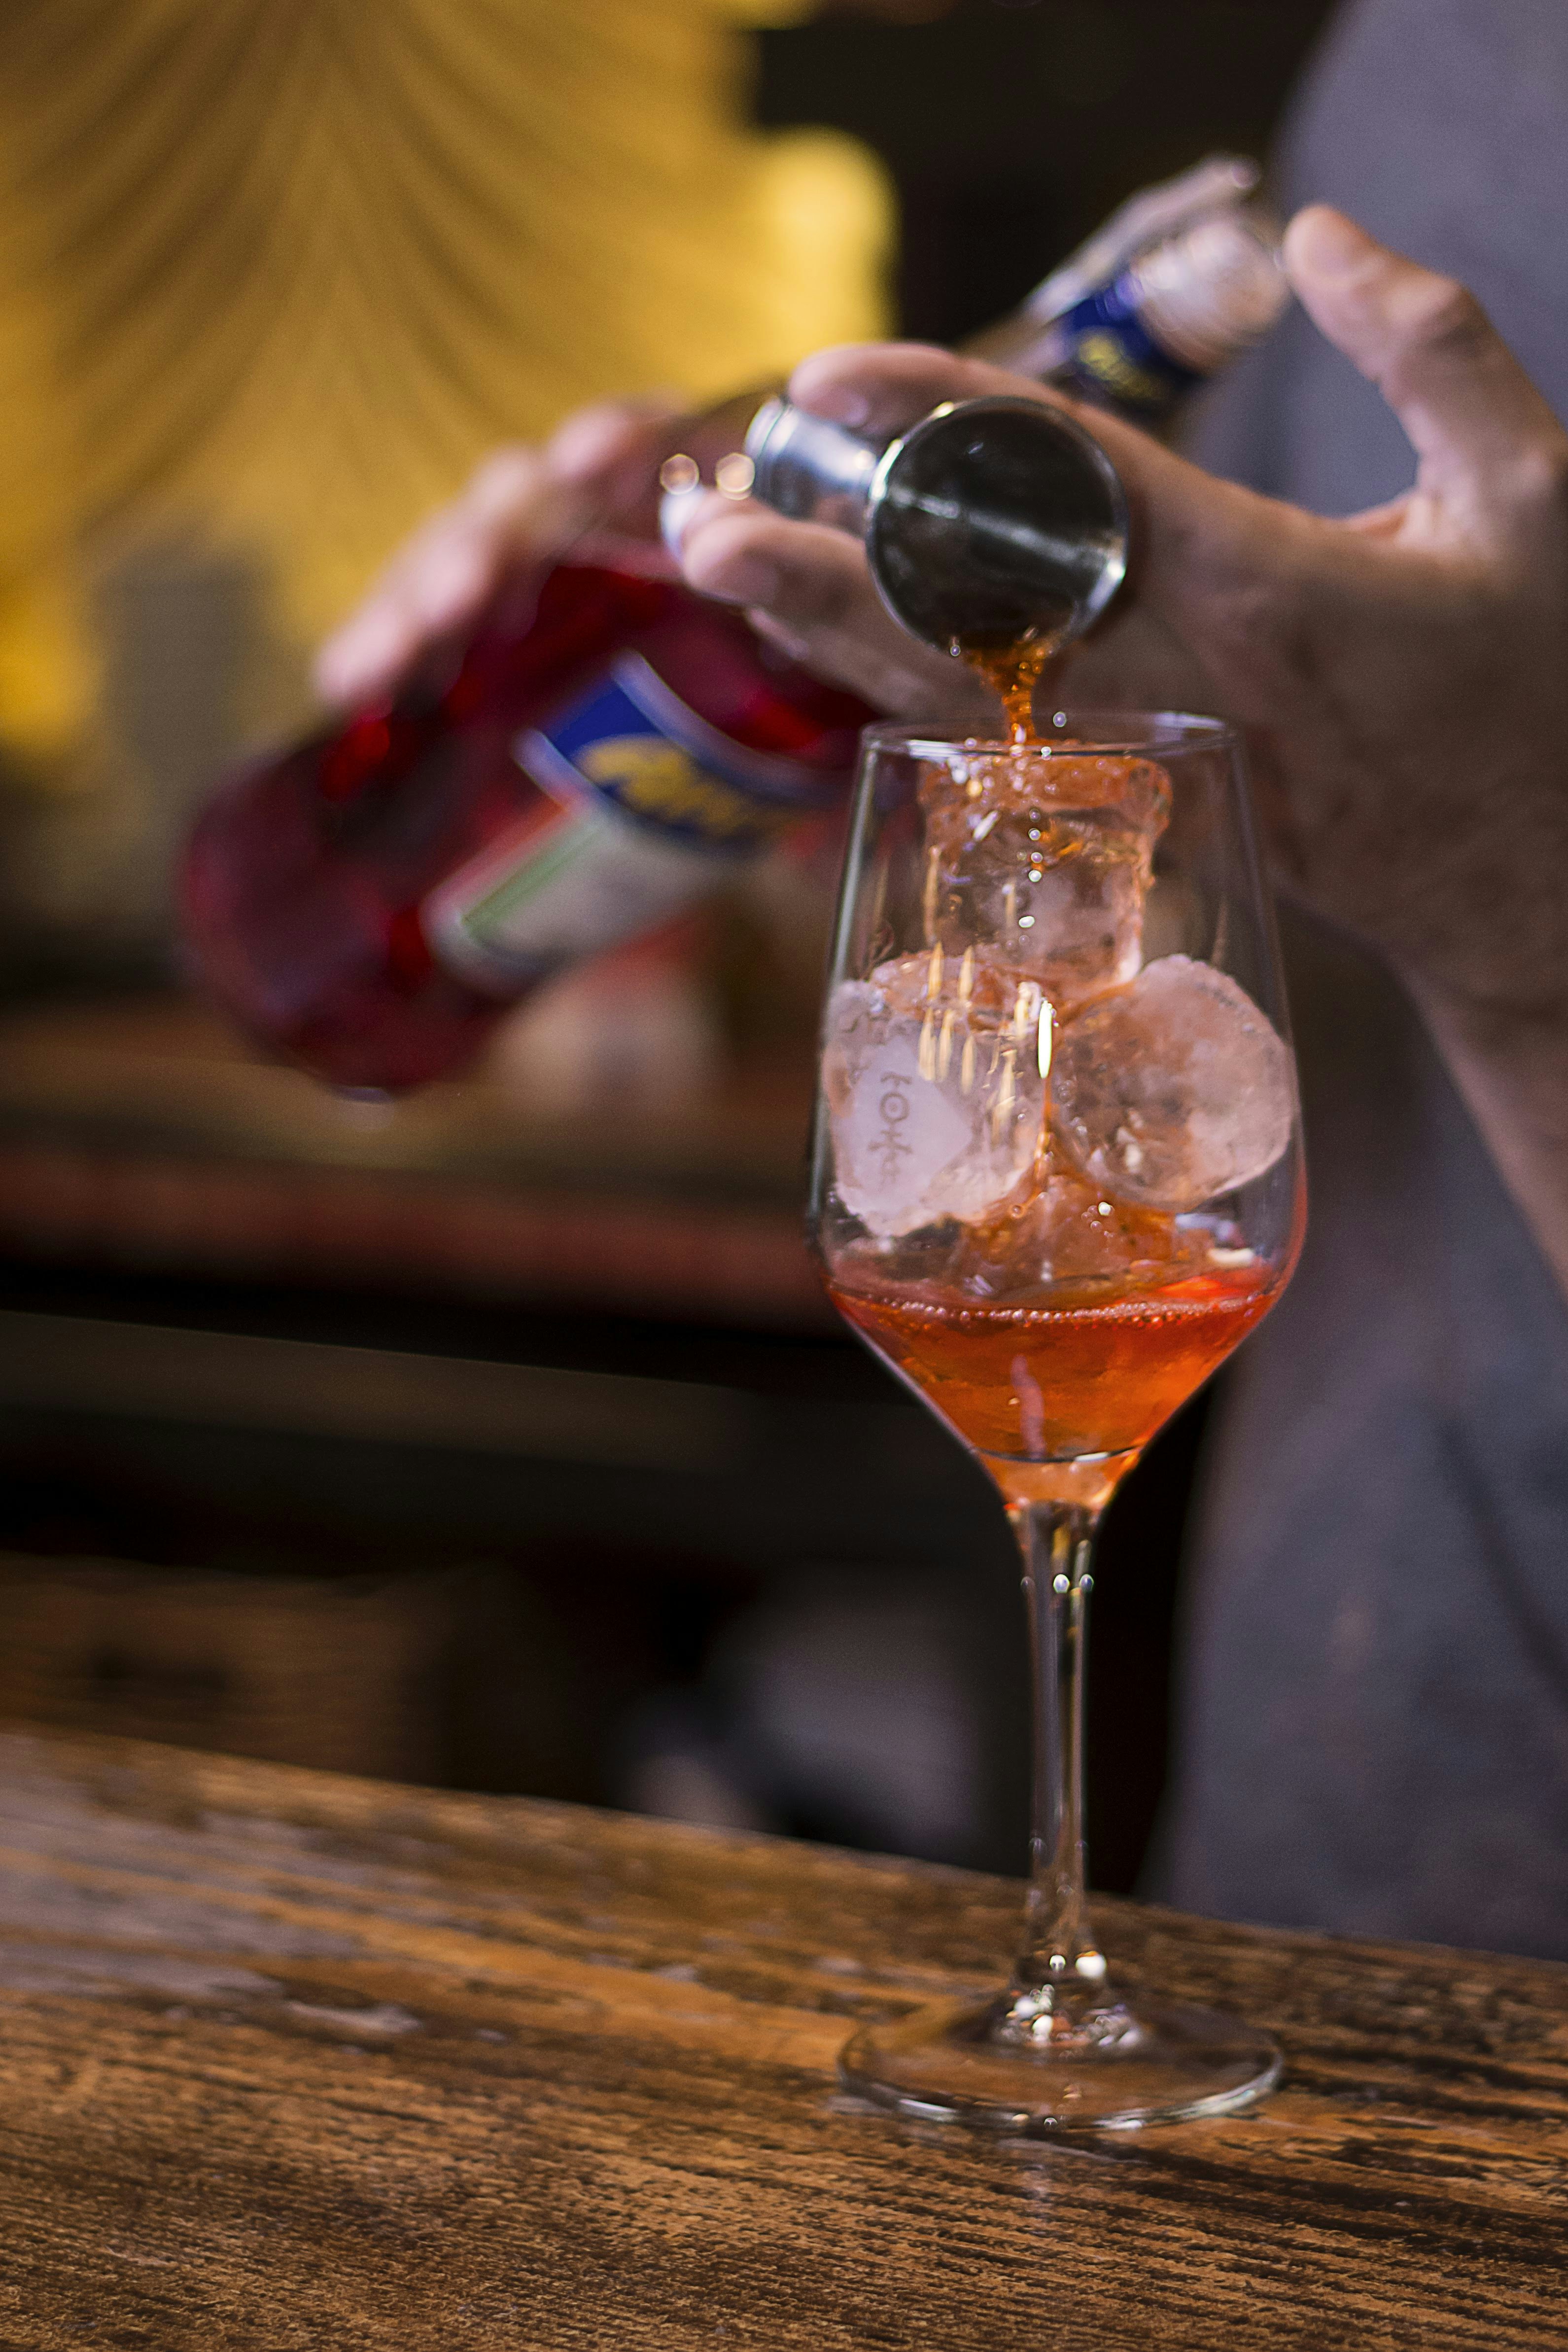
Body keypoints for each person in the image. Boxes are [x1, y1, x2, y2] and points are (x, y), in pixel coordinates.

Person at [321, 0, 1568, 1959]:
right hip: (1314, 1881)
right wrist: (634, 663)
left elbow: (1438, 817)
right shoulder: (1413, 55)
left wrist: (1524, 917)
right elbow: (1135, 783)